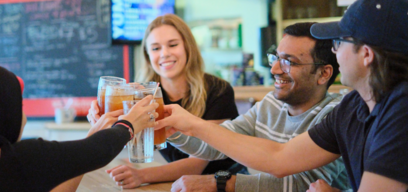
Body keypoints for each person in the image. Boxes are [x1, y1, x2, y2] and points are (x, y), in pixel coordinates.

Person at [156, 0, 408, 191]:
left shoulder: (401, 112)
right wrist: (186, 125)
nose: (335, 49)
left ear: (366, 54)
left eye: (340, 42)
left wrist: (220, 182)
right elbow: (280, 158)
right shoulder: (354, 106)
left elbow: (294, 179)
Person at [158, 22, 351, 192]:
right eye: (275, 58)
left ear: (324, 73)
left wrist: (220, 183)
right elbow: (213, 147)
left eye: (289, 62)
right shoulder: (271, 104)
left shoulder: (335, 114)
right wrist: (169, 126)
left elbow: (301, 185)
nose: (274, 69)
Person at [0, 63, 159, 191]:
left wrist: (93, 135)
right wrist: (129, 125)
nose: (24, 115)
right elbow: (96, 151)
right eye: (18, 105)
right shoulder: (13, 161)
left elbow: (81, 158)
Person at [87, 14, 242, 188]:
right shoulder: (143, 94)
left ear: (187, 47)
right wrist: (101, 123)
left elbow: (199, 162)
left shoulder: (219, 90)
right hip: (175, 184)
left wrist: (141, 175)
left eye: (173, 45)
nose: (165, 54)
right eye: (155, 48)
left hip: (221, 184)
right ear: (147, 56)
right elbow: (127, 136)